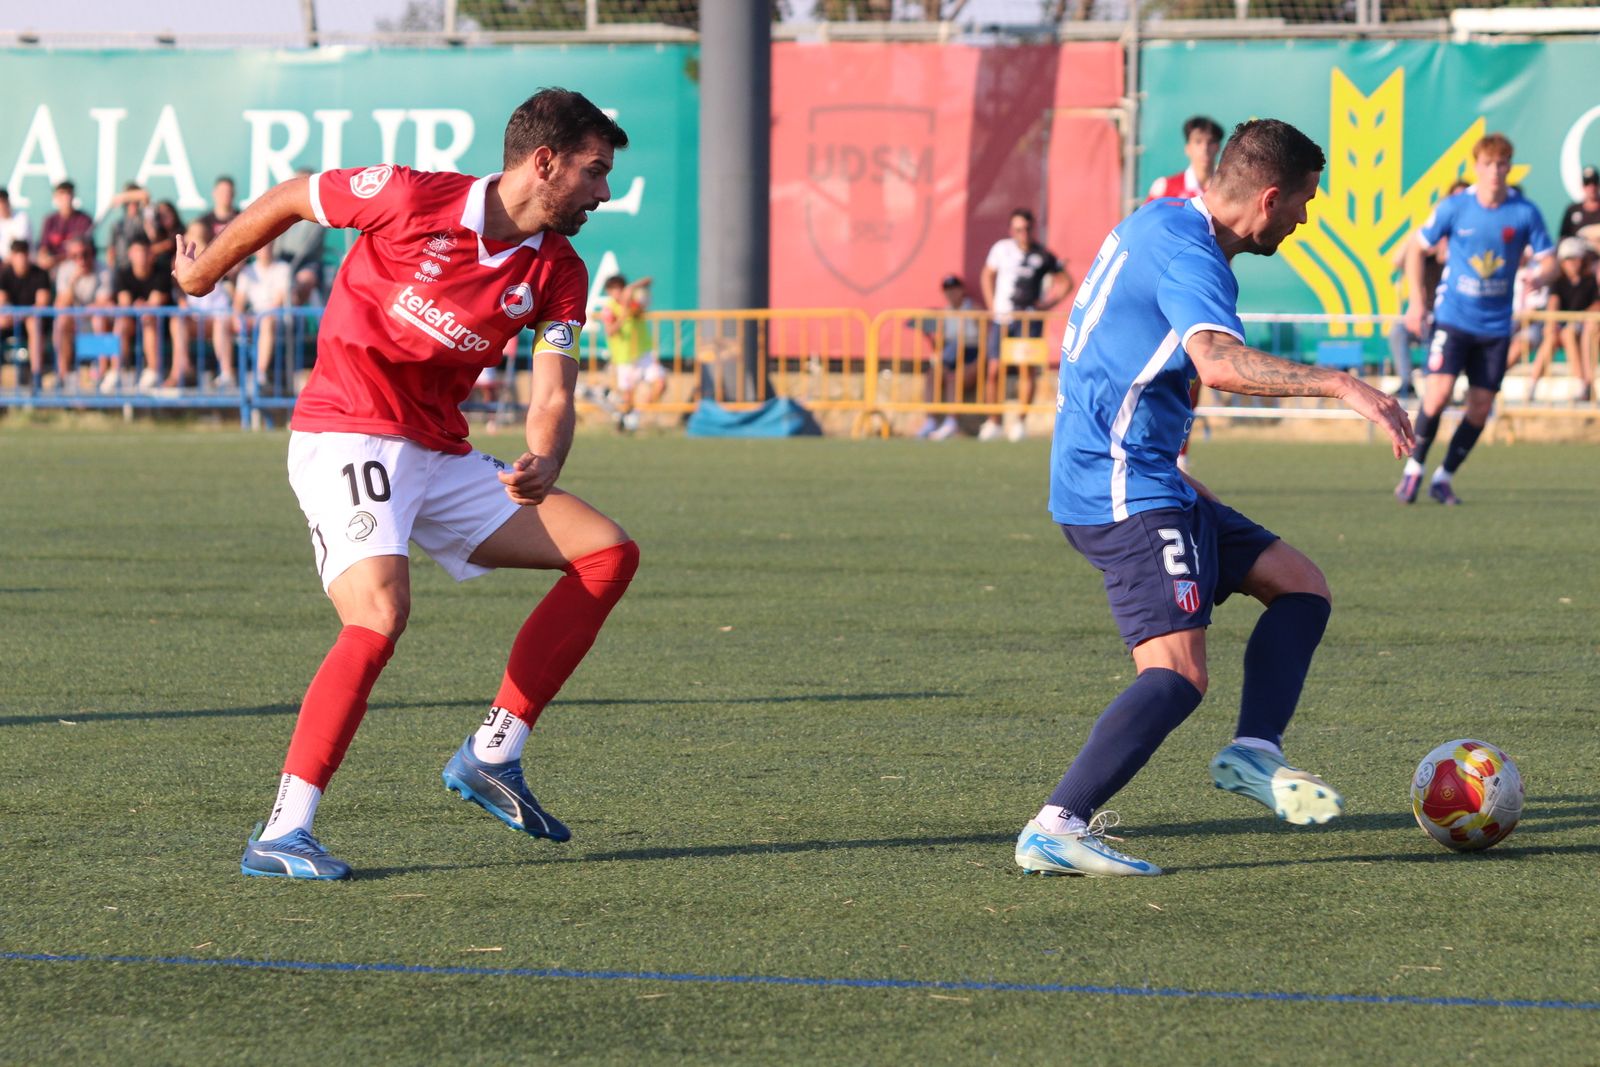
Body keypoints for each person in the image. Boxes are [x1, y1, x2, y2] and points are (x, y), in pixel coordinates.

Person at [172, 86, 639, 882]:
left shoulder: (558, 270)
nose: (604, 192)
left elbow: (552, 391)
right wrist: (202, 276)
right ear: (544, 162)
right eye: (595, 173)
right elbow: (292, 197)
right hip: (346, 429)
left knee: (606, 554)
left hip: (436, 451)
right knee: (381, 611)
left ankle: (493, 753)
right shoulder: (408, 196)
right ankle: (284, 829)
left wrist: (545, 459)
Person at [1014, 119, 1413, 878]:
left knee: (1300, 585)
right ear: (1267, 199)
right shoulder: (1191, 256)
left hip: (1147, 474)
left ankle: (1255, 750)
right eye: (1302, 203)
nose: (1302, 218)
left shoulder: (1161, 220)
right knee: (1176, 674)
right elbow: (1217, 360)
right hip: (1124, 488)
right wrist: (1340, 382)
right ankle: (1056, 825)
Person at [1394, 134, 1555, 506]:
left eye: (1502, 165)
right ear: (1477, 166)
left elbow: (1550, 260)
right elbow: (1417, 248)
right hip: (1453, 318)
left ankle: (1443, 477)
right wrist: (1417, 301)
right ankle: (1413, 470)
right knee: (1437, 396)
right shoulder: (1455, 207)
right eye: (1488, 165)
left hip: (1496, 326)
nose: (1495, 172)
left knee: (1481, 407)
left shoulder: (1525, 212)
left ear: (1509, 167)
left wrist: (1540, 276)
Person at [980, 208, 1072, 441]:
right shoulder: (1001, 249)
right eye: (1018, 229)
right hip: (1003, 318)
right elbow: (987, 275)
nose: (1023, 233)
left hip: (1028, 321)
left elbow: (1066, 282)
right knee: (993, 370)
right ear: (1012, 230)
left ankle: (1020, 422)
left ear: (1033, 229)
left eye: (1027, 228)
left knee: (1025, 370)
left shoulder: (1042, 255)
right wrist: (991, 306)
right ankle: (993, 421)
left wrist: (1047, 305)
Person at [1388, 179, 1467, 400]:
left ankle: (1447, 391)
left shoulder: (1469, 245)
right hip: (1428, 315)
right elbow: (1398, 259)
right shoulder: (1428, 248)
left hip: (1457, 317)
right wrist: (1423, 234)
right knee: (1398, 331)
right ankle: (1407, 384)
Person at [1526, 237, 1598, 402]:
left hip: (1581, 329)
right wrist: (1551, 323)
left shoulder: (1589, 281)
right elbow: (1553, 302)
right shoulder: (1558, 282)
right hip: (1562, 328)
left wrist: (1579, 318)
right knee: (1552, 338)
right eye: (1568, 259)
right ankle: (1532, 384)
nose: (1572, 263)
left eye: (1575, 259)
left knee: (1568, 333)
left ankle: (1582, 386)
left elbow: (1596, 304)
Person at [914, 273, 982, 440]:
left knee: (954, 379)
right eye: (947, 291)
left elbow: (986, 339)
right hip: (952, 354)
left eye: (954, 289)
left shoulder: (974, 309)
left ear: (962, 290)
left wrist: (979, 363)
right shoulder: (945, 313)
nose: (951, 294)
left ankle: (951, 422)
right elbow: (943, 345)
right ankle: (931, 420)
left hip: (971, 354)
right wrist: (930, 337)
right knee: (932, 375)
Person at [170, 220, 235, 389]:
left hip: (218, 315)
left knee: (221, 325)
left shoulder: (219, 255)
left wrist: (203, 248)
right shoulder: (179, 259)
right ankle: (183, 368)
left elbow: (226, 272)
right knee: (177, 322)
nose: (195, 239)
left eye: (199, 235)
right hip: (195, 315)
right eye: (193, 234)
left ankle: (227, 374)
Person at [598, 273, 663, 431]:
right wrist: (622, 318)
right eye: (613, 290)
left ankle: (635, 415)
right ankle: (622, 423)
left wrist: (632, 289)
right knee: (628, 397)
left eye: (620, 289)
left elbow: (649, 279)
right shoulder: (609, 309)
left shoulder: (634, 304)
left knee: (661, 384)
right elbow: (610, 331)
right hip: (624, 358)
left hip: (643, 354)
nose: (617, 293)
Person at [51, 236, 112, 387]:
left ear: (92, 253)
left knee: (98, 319)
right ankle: (62, 375)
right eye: (75, 256)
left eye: (85, 254)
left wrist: (84, 311)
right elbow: (60, 304)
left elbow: (103, 302)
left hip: (95, 321)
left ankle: (101, 374)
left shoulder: (103, 269)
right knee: (61, 321)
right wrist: (73, 282)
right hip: (74, 321)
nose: (81, 259)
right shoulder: (65, 270)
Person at [233, 242, 293, 393]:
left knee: (266, 322)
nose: (264, 249)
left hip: (275, 319)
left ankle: (260, 373)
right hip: (255, 317)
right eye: (261, 246)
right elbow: (238, 303)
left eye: (267, 246)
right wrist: (238, 319)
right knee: (222, 323)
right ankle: (226, 373)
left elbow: (278, 302)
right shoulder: (247, 272)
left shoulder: (283, 269)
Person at [112, 234, 170, 389]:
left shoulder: (162, 273)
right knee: (121, 323)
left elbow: (155, 303)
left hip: (161, 325)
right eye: (137, 252)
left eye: (144, 252)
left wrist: (142, 307)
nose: (141, 256)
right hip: (132, 322)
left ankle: (153, 371)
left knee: (148, 319)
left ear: (151, 254)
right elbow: (124, 304)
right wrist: (139, 307)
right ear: (130, 254)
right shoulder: (123, 273)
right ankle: (116, 371)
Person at [0, 239, 55, 388]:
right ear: (12, 256)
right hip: (12, 321)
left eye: (24, 254)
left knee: (33, 323)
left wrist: (20, 315)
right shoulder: (5, 275)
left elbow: (41, 304)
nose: (21, 259)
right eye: (18, 254)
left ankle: (36, 377)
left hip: (32, 322)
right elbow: (2, 302)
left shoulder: (40, 274)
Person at [1146, 115, 1224, 203]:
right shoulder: (1164, 188)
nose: (1205, 148)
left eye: (1211, 142)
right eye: (1198, 141)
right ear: (1187, 148)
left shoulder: (1227, 188)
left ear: (1218, 147)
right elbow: (1144, 216)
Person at [37, 180, 93, 271]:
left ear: (73, 196)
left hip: (75, 265)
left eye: (69, 193)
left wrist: (56, 260)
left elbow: (81, 251)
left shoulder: (84, 220)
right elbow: (43, 247)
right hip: (52, 266)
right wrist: (43, 258)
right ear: (55, 197)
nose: (66, 197)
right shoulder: (50, 220)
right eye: (62, 194)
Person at [1557, 165, 1600, 245]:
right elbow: (1562, 239)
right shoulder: (1572, 210)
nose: (1591, 187)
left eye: (1594, 182)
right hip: (1577, 254)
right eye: (1587, 183)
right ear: (1582, 186)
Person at [196, 175, 240, 240]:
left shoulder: (241, 218)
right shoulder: (204, 222)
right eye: (222, 192)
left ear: (234, 194)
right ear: (214, 193)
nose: (225, 195)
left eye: (228, 192)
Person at [0, 187, 34, 252]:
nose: (1, 206)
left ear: (8, 202)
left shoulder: (22, 217)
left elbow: (19, 246)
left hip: (21, 260)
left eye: (2, 202)